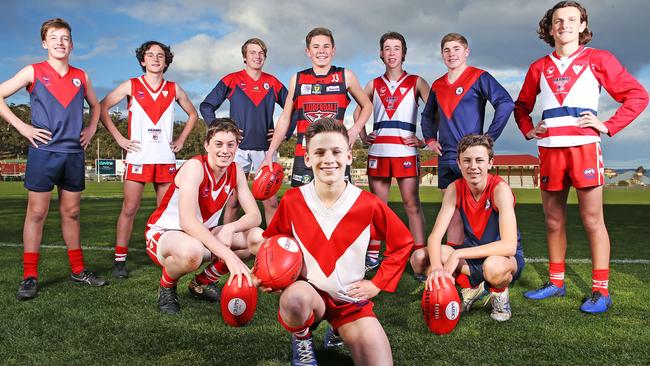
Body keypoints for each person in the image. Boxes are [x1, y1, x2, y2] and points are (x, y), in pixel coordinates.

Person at [514, 1, 648, 314]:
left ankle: (601, 290)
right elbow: (521, 106)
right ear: (549, 28)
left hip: (584, 149)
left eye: (572, 20)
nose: (565, 26)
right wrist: (528, 129)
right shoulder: (538, 67)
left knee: (591, 220)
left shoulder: (598, 59)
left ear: (583, 26)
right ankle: (556, 282)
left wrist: (608, 125)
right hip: (549, 151)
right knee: (553, 220)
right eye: (558, 21)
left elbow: (638, 95)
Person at [254, 118, 413, 366]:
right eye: (319, 152)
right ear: (307, 159)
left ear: (349, 156)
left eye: (336, 151)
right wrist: (269, 275)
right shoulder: (293, 200)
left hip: (350, 300)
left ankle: (337, 330)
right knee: (293, 300)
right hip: (310, 292)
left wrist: (378, 284)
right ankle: (302, 339)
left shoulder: (368, 203)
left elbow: (403, 243)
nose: (329, 159)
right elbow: (275, 242)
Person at [0, 18, 107, 300]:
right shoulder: (33, 71)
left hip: (73, 154)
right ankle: (29, 275)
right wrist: (22, 127)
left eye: (65, 38)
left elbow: (96, 105)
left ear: (72, 44)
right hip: (43, 152)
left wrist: (91, 127)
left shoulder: (81, 76)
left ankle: (78, 269)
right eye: (54, 37)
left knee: (71, 213)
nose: (61, 42)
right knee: (36, 213)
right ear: (44, 43)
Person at [420, 32, 514, 296]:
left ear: (467, 51)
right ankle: (458, 277)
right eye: (447, 50)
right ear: (442, 54)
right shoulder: (438, 85)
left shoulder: (478, 77)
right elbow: (427, 115)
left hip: (470, 158)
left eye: (456, 48)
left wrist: (488, 139)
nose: (452, 54)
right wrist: (429, 139)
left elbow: (505, 104)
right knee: (451, 217)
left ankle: (484, 268)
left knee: (481, 213)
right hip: (446, 157)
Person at [100, 41, 197, 279]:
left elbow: (193, 114)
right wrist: (120, 139)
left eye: (160, 55)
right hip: (138, 157)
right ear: (142, 60)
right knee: (130, 208)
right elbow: (102, 107)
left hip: (165, 158)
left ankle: (165, 255)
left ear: (166, 61)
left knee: (165, 213)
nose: (155, 59)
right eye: (150, 55)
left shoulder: (174, 88)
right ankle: (120, 261)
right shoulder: (131, 85)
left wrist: (182, 140)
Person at [144, 118, 261, 314]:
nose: (225, 150)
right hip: (166, 234)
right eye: (218, 144)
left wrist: (230, 227)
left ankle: (202, 282)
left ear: (237, 146)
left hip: (202, 234)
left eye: (230, 144)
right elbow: (188, 223)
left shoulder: (236, 170)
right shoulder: (194, 167)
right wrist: (229, 257)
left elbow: (255, 216)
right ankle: (167, 286)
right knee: (193, 251)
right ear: (207, 145)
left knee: (256, 238)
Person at [354, 31, 430, 277]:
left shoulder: (417, 81)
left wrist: (424, 140)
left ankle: (420, 254)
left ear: (403, 53)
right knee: (378, 207)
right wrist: (364, 137)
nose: (392, 53)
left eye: (396, 48)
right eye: (387, 48)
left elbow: (433, 112)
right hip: (379, 151)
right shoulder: (373, 84)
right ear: (381, 54)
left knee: (412, 204)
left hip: (406, 150)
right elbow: (358, 112)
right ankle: (374, 256)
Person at [425, 134, 525, 322]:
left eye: (479, 160)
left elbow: (509, 246)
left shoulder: (499, 189)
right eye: (467, 161)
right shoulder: (454, 188)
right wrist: (438, 268)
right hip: (473, 254)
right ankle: (472, 289)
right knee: (424, 257)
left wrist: (457, 255)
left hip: (504, 258)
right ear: (458, 163)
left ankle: (499, 293)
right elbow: (434, 237)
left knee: (493, 266)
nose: (473, 166)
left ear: (490, 162)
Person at [259, 27, 372, 187]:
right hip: (305, 153)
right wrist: (270, 152)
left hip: (336, 154)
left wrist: (355, 131)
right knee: (302, 206)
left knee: (339, 206)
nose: (321, 51)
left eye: (326, 46)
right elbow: (285, 118)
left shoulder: (345, 76)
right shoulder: (297, 79)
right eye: (316, 46)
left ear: (333, 50)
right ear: (308, 51)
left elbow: (367, 105)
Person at [200, 38, 288, 226]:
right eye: (252, 52)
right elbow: (206, 106)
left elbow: (293, 108)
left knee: (271, 201)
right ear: (244, 57)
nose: (257, 56)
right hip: (236, 150)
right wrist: (221, 130)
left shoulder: (272, 82)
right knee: (232, 201)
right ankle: (224, 246)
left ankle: (271, 243)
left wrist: (285, 133)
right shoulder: (231, 80)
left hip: (266, 149)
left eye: (261, 53)